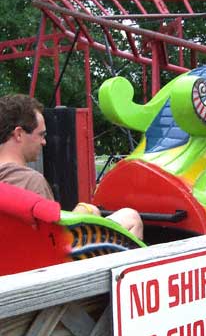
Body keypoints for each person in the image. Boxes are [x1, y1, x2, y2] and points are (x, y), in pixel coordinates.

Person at [0, 94, 143, 240]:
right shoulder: (30, 182)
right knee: (131, 217)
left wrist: (85, 210)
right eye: (41, 135)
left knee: (90, 209)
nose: (44, 142)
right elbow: (52, 240)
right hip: (52, 259)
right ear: (18, 134)